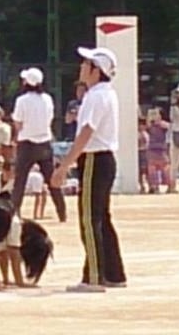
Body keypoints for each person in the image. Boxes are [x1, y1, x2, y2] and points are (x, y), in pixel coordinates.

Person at [52, 47, 126, 293]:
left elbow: (86, 132)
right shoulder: (107, 93)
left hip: (94, 159)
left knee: (89, 218)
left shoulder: (95, 96)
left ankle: (94, 277)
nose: (82, 67)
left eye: (86, 64)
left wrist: (64, 165)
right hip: (105, 159)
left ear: (96, 70)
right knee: (102, 217)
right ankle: (113, 273)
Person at [11, 68, 66, 223]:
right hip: (44, 142)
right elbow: (49, 119)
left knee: (20, 181)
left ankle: (15, 212)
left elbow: (18, 123)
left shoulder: (22, 100)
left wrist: (16, 137)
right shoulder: (47, 99)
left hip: (27, 144)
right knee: (51, 180)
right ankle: (62, 212)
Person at [146, 107, 170, 194]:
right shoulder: (150, 125)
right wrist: (149, 116)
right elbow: (147, 124)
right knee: (152, 169)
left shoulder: (163, 125)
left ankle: (169, 186)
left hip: (162, 149)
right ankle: (154, 186)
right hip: (152, 149)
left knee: (165, 168)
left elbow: (169, 126)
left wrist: (159, 121)